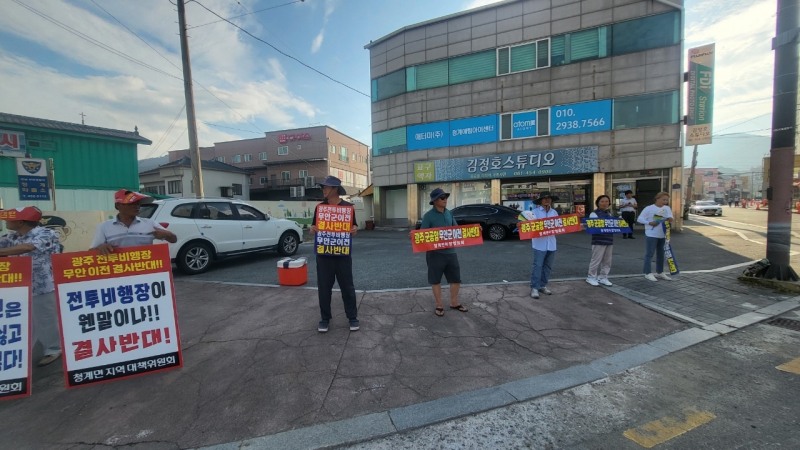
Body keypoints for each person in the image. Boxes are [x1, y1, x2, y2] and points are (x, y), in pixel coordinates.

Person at [0, 206, 62, 366]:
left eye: (9, 218)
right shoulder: (12, 236)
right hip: (19, 285)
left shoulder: (46, 233)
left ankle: (53, 349)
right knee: (23, 319)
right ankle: (23, 350)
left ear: (20, 221)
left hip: (42, 285)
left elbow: (28, 247)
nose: (6, 221)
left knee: (45, 318)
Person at [310, 176, 359, 333]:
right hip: (323, 255)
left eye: (326, 187)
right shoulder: (320, 208)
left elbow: (354, 227)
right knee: (324, 288)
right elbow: (313, 226)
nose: (323, 190)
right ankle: (325, 319)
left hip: (343, 255)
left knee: (347, 287)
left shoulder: (348, 208)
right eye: (323, 187)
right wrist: (312, 230)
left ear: (335, 189)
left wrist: (354, 230)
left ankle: (352, 317)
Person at [419, 188, 468, 317]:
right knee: (435, 280)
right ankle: (439, 305)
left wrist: (474, 231)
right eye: (442, 197)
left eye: (446, 197)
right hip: (435, 253)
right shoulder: (428, 216)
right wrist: (414, 237)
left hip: (451, 252)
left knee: (456, 279)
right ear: (435, 201)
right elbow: (422, 234)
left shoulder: (449, 213)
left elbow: (456, 229)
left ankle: (454, 302)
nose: (445, 199)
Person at [90, 189, 177, 254]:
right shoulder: (104, 227)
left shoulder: (150, 223)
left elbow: (174, 239)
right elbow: (91, 252)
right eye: (132, 203)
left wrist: (167, 234)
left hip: (144, 270)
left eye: (138, 204)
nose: (137, 207)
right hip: (117, 272)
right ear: (118, 206)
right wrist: (100, 247)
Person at [520, 192, 559, 299]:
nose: (547, 200)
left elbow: (558, 225)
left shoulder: (554, 212)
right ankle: (534, 288)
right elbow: (526, 225)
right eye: (544, 198)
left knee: (548, 267)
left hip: (551, 243)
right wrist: (520, 224)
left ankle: (542, 285)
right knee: (537, 266)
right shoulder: (534, 212)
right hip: (539, 244)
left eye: (548, 198)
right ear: (540, 201)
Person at [637, 192, 674, 282]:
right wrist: (649, 222)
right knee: (649, 254)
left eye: (666, 200)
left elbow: (670, 217)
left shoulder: (667, 208)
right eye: (663, 199)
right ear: (657, 198)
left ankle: (660, 272)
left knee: (661, 254)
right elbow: (639, 219)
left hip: (663, 234)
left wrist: (669, 219)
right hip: (651, 234)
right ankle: (647, 273)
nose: (665, 202)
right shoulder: (649, 208)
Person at [586, 195, 615, 287]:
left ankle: (603, 277)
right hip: (598, 240)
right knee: (596, 260)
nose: (604, 203)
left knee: (607, 261)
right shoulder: (594, 214)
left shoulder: (609, 213)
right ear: (598, 203)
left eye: (606, 201)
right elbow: (593, 227)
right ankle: (591, 277)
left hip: (609, 240)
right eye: (602, 201)